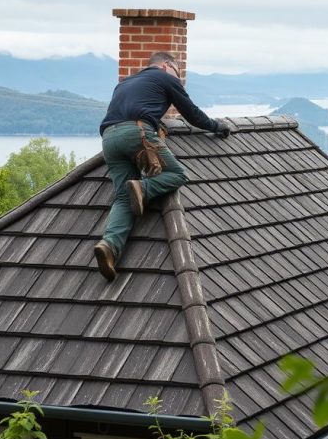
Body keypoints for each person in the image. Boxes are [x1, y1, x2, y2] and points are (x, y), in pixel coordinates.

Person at [94, 52, 230, 281]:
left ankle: (109, 246)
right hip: (137, 134)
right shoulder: (166, 78)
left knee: (122, 198)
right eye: (178, 73)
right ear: (167, 66)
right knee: (177, 174)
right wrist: (217, 126)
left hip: (109, 139)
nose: (179, 78)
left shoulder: (125, 83)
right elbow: (192, 114)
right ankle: (143, 188)